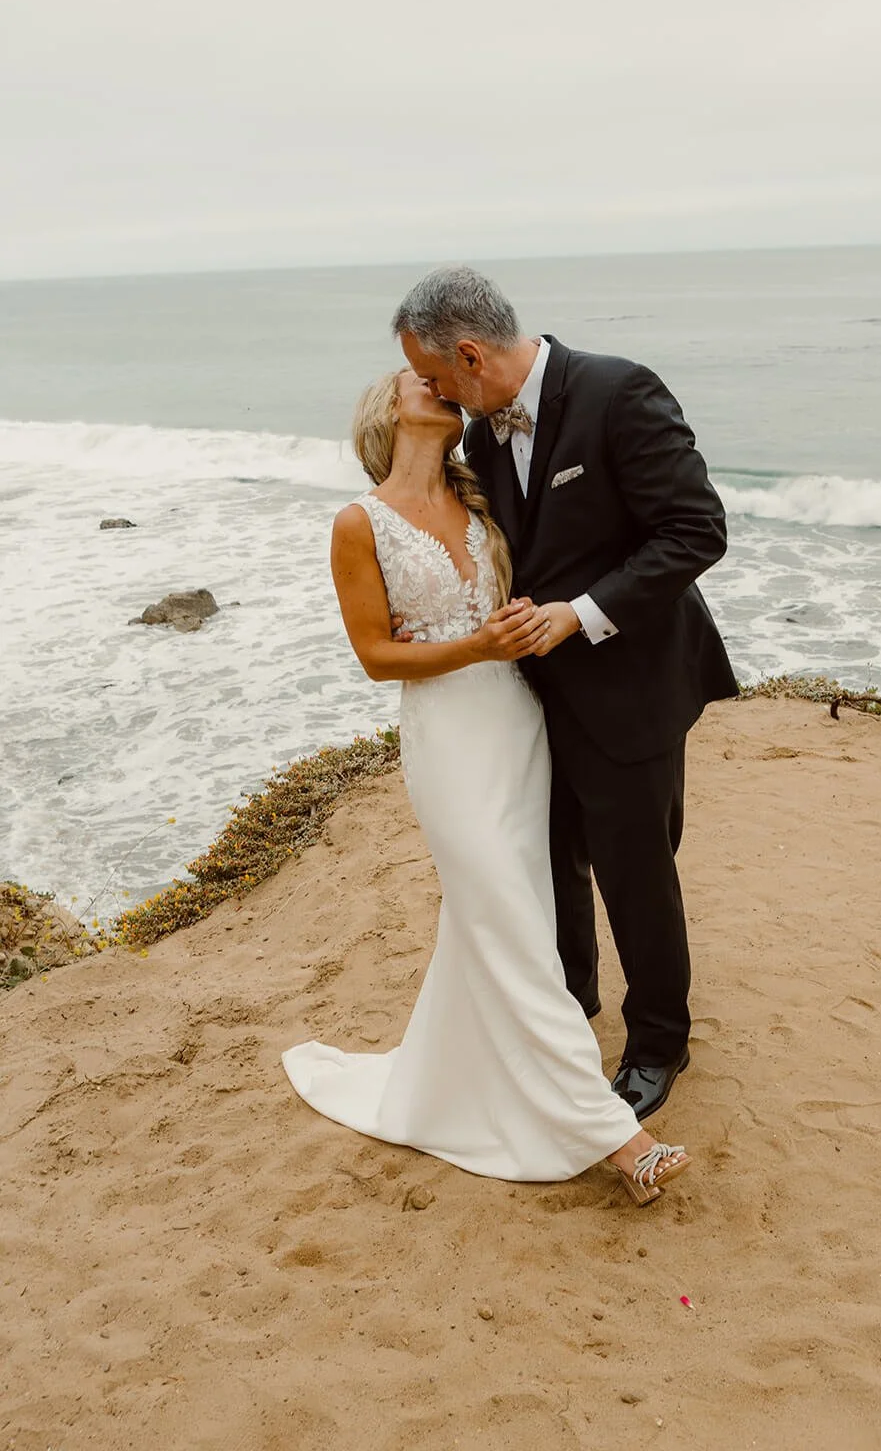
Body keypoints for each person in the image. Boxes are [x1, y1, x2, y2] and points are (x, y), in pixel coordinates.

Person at [282, 366, 689, 1205]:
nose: (436, 385)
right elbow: (372, 657)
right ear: (387, 412)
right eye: (415, 380)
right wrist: (475, 648)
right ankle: (621, 1140)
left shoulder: (483, 503)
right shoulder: (358, 522)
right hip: (449, 738)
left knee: (515, 912)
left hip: (519, 725)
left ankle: (498, 1068)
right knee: (500, 910)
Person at [392, 267, 738, 1121]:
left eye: (434, 376)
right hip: (529, 701)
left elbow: (695, 530)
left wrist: (580, 616)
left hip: (632, 685)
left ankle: (658, 1043)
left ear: (470, 353)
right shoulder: (475, 439)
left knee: (635, 872)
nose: (432, 391)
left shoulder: (620, 392)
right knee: (549, 863)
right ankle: (568, 1009)